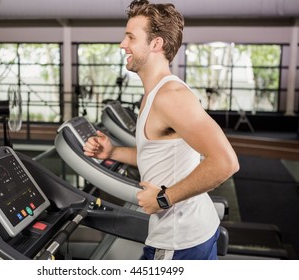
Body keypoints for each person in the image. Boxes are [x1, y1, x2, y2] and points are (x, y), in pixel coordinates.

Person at [83, 0, 239, 260]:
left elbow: (226, 162)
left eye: (131, 37)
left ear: (156, 44)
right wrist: (112, 151)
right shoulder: (154, 95)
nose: (123, 45)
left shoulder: (170, 96)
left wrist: (163, 199)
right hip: (191, 231)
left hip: (180, 240)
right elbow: (157, 154)